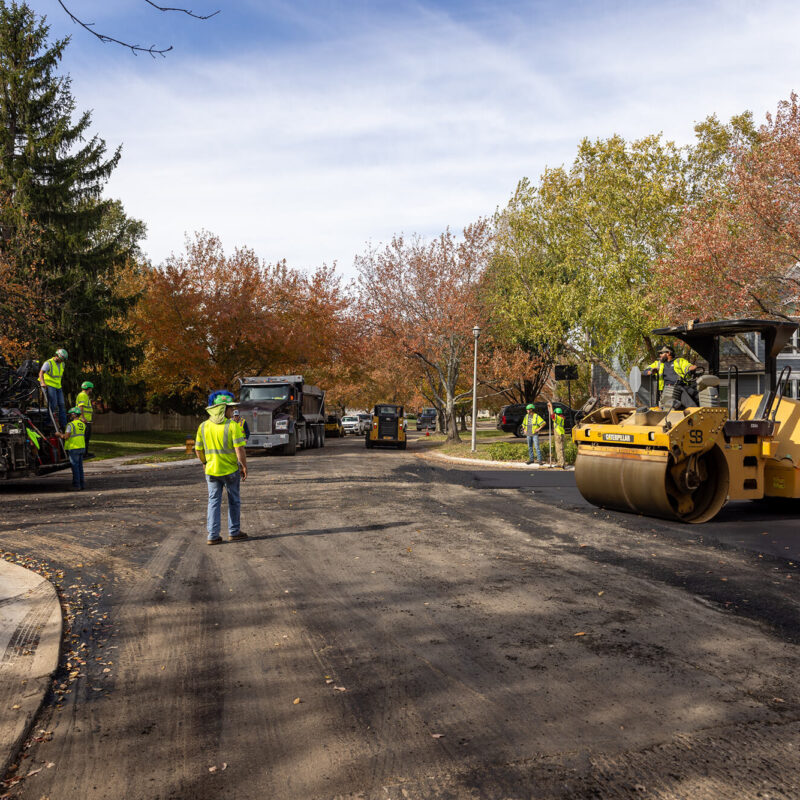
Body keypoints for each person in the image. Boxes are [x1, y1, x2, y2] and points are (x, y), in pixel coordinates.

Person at [195, 396, 248, 545]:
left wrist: (205, 462)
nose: (232, 411)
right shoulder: (232, 426)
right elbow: (239, 449)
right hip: (230, 471)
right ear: (222, 410)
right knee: (234, 501)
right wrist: (243, 466)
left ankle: (212, 535)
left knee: (213, 502)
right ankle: (234, 532)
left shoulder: (203, 426)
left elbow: (198, 449)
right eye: (230, 408)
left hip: (211, 471)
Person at [57, 407, 86, 491]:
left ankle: (76, 485)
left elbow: (66, 437)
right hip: (81, 447)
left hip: (74, 448)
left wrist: (59, 434)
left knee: (75, 467)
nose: (70, 416)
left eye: (71, 414)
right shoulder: (82, 424)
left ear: (74, 414)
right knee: (80, 467)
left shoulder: (70, 425)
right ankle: (82, 484)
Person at [38, 348, 68, 430]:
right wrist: (42, 382)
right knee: (53, 403)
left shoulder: (62, 364)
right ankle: (48, 422)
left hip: (58, 386)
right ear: (56, 355)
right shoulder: (48, 363)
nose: (62, 361)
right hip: (49, 385)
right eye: (61, 359)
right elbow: (41, 373)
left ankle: (64, 424)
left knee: (62, 404)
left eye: (63, 360)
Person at [76, 381, 95, 457]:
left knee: (86, 438)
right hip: (83, 420)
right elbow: (81, 407)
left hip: (86, 420)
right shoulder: (83, 395)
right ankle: (83, 453)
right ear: (89, 388)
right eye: (91, 388)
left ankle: (85, 453)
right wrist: (83, 418)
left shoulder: (84, 395)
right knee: (84, 438)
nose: (91, 390)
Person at [548, 401, 567, 468]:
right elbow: (552, 414)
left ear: (556, 413)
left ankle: (561, 464)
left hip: (558, 434)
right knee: (561, 449)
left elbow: (552, 415)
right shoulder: (562, 417)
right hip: (561, 434)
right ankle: (562, 462)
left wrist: (551, 406)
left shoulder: (557, 418)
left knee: (559, 450)